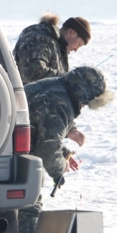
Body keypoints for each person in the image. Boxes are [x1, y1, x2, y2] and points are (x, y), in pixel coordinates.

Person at [17, 66, 113, 233]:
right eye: (87, 101)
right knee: (29, 203)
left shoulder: (51, 86)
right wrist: (59, 170)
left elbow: (43, 132)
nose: (85, 105)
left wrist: (63, 153)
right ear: (81, 92)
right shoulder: (60, 103)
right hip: (13, 154)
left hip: (4, 148)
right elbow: (47, 148)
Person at [13, 13, 92, 144]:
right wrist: (67, 80)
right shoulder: (39, 39)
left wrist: (70, 127)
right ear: (72, 33)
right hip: (23, 115)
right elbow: (32, 72)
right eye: (79, 44)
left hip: (36, 120)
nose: (77, 49)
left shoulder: (58, 49)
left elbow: (53, 93)